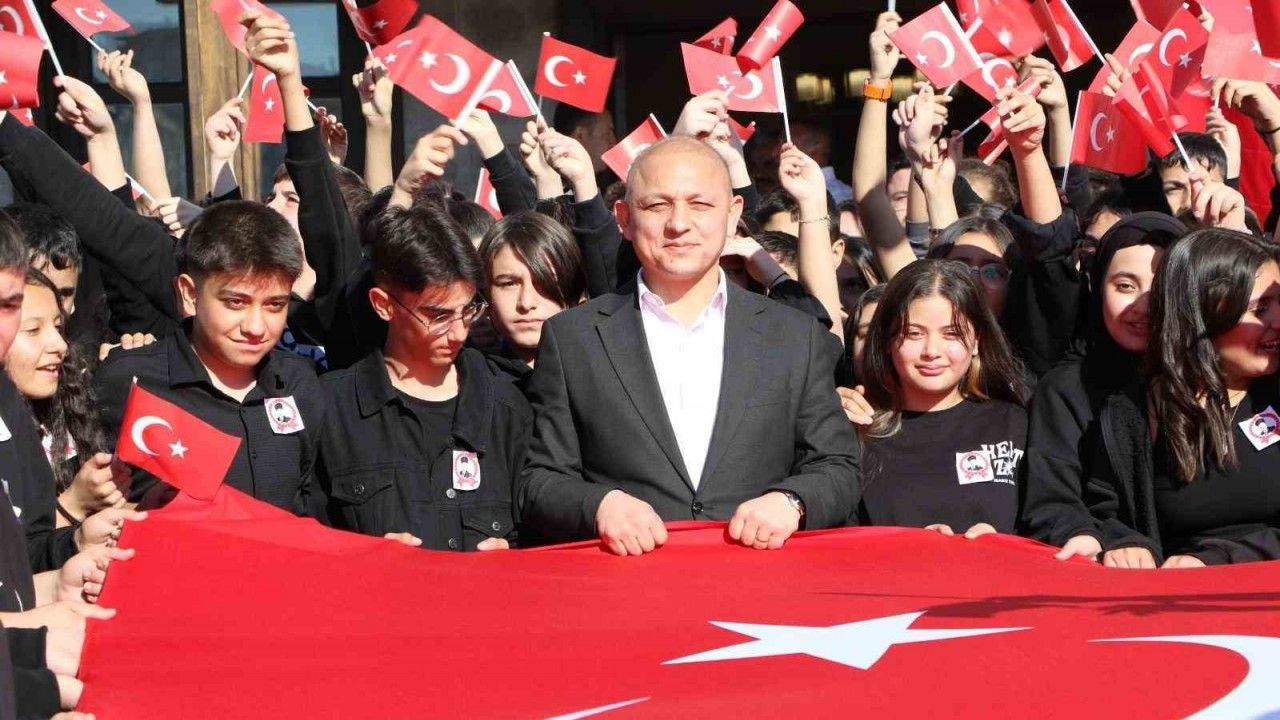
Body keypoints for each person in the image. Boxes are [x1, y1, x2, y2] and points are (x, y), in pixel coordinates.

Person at [519, 136, 859, 554]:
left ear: (732, 215)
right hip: (629, 578)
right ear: (624, 218)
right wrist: (599, 505)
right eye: (657, 205)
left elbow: (838, 465)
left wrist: (792, 502)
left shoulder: (793, 336)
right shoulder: (574, 338)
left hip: (760, 576)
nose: (678, 223)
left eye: (700, 205)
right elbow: (539, 480)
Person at [315, 201, 531, 551]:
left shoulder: (511, 407)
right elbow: (301, 542)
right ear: (383, 305)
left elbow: (548, 532)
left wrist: (515, 555)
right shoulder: (331, 410)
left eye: (469, 310)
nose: (459, 332)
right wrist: (359, 557)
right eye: (438, 316)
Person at [93, 200, 326, 513]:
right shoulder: (130, 381)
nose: (256, 327)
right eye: (236, 303)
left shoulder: (301, 383)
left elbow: (315, 514)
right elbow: (85, 508)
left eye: (274, 305)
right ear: (190, 294)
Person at [1087, 228, 1280, 567]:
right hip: (1179, 593)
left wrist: (1219, 559)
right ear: (1202, 316)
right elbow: (1101, 512)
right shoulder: (1130, 414)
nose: (1278, 321)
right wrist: (1127, 544)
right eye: (1260, 309)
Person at [1020, 214, 1185, 560]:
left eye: (1162, 287)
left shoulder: (1216, 382)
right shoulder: (1064, 389)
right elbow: (1051, 500)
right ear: (1097, 285)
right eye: (1125, 286)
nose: (1143, 306)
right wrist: (1089, 535)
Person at [855, 260, 1029, 536]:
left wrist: (1003, 543)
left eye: (952, 334)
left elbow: (1049, 522)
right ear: (887, 341)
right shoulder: (858, 432)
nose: (931, 351)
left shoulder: (1014, 423)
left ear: (976, 341)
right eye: (913, 333)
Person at [3, 269, 122, 529]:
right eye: (33, 330)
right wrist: (73, 505)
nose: (60, 345)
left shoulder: (65, 407)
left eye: (58, 327)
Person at [477, 211, 586, 380]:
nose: (526, 303)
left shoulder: (604, 372)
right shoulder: (468, 381)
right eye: (509, 284)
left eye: (544, 282)